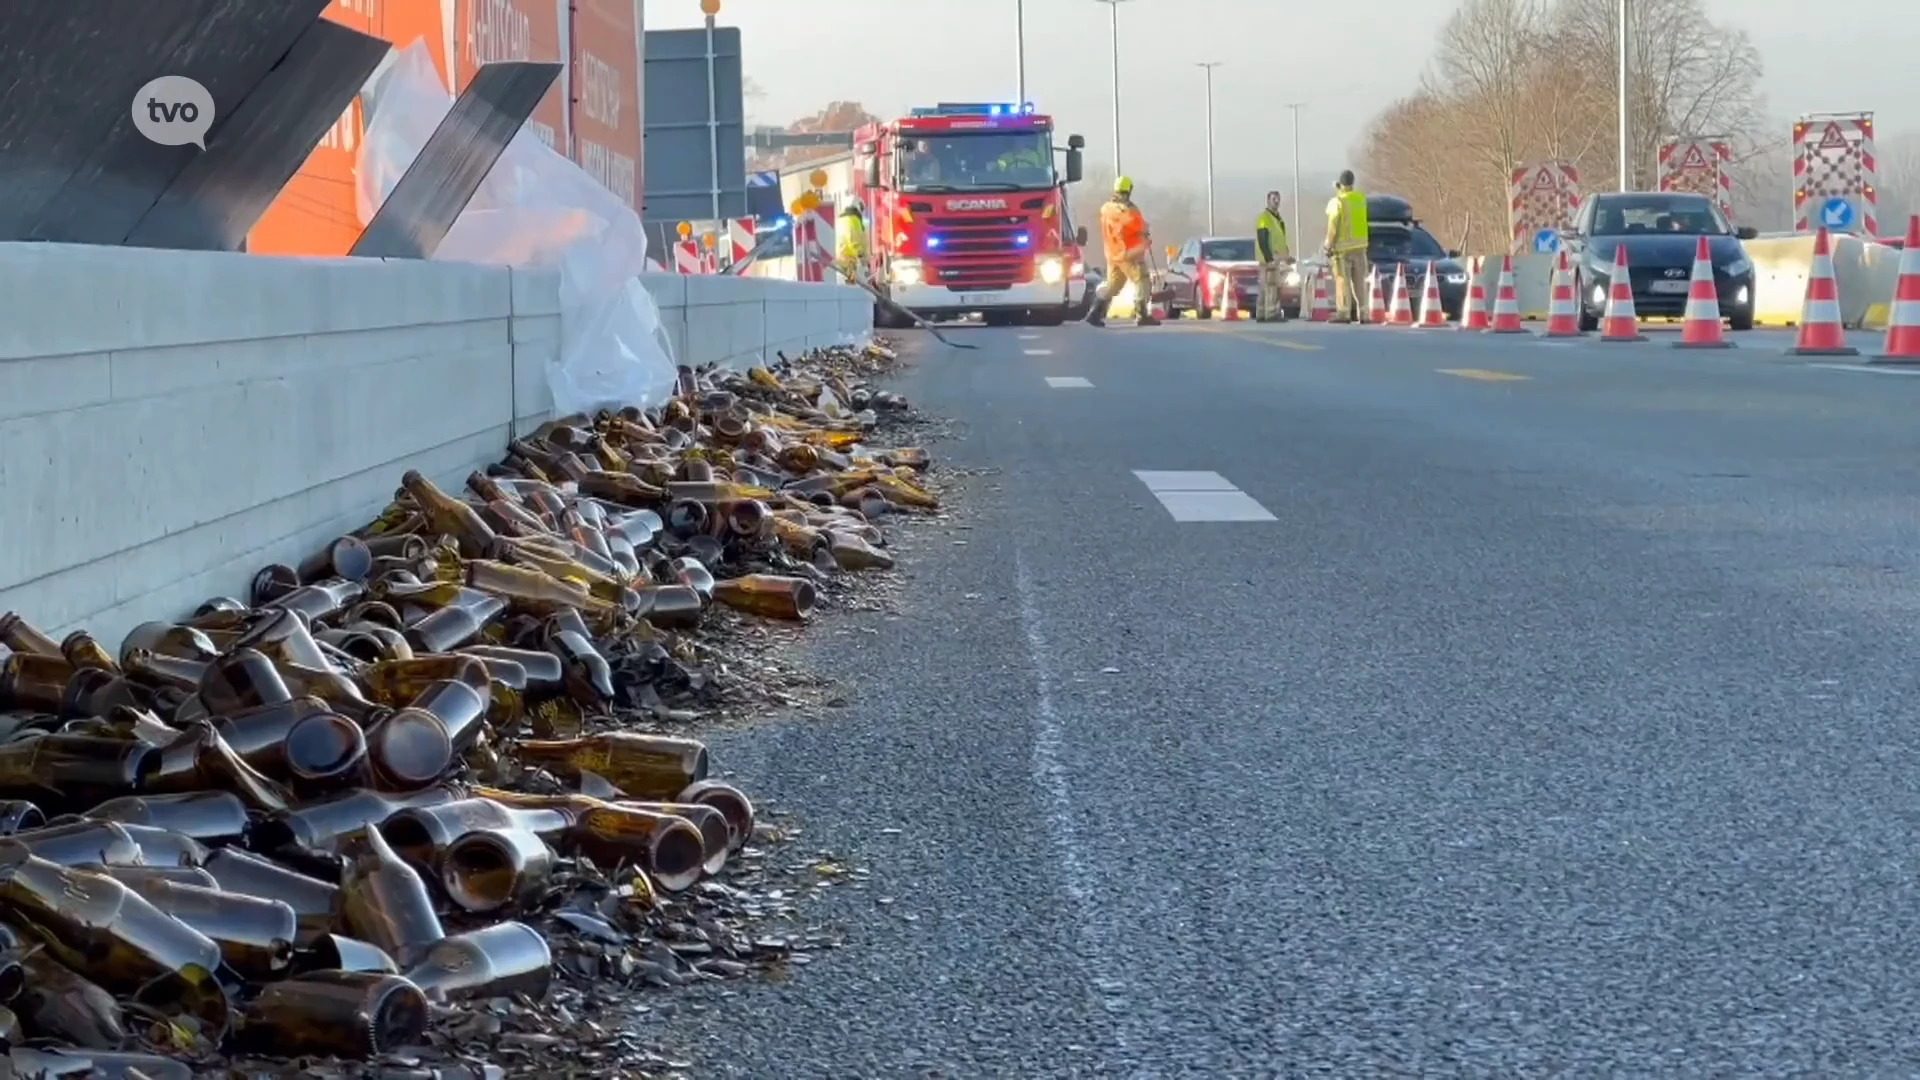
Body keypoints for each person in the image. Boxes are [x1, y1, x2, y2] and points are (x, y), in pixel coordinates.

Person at [1087, 175, 1159, 327]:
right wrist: (1145, 235)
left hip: (1113, 254)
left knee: (1113, 285)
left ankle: (1094, 312)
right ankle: (1142, 314)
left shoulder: (1106, 208)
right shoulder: (1128, 210)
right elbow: (1138, 225)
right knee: (1142, 280)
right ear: (1129, 190)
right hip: (1129, 253)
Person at [1323, 170, 1370, 323]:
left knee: (1342, 280)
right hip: (1361, 247)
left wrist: (1328, 246)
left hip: (1342, 250)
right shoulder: (1360, 198)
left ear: (1340, 185)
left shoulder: (1337, 202)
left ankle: (1344, 313)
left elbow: (1333, 227)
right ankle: (1364, 313)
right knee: (1359, 282)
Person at [1255, 191, 1291, 322]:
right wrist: (1268, 258)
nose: (1276, 201)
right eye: (1273, 199)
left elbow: (1280, 239)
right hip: (1269, 258)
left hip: (1277, 258)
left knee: (1266, 286)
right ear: (1268, 201)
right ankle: (1271, 313)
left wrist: (1286, 256)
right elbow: (1262, 239)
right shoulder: (1264, 218)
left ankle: (1261, 313)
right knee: (1271, 286)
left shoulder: (1278, 219)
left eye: (1278, 199)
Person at [836, 198, 868, 284]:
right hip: (850, 261)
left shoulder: (840, 220)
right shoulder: (853, 220)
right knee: (853, 287)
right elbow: (854, 240)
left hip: (841, 257)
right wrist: (861, 255)